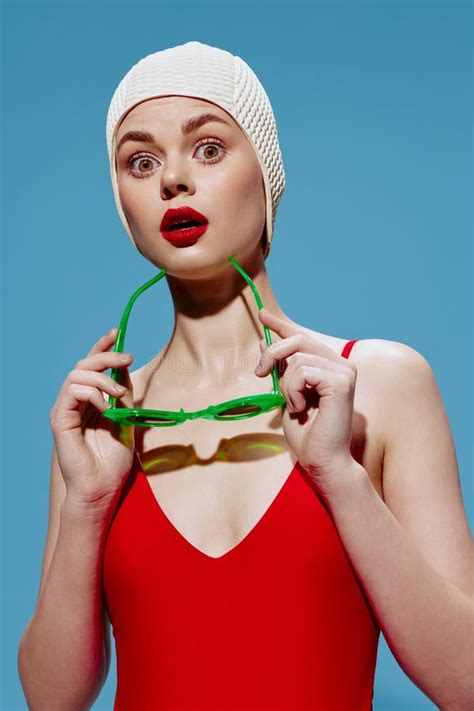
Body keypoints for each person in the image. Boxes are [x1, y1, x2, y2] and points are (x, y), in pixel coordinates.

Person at [18, 41, 473, 711]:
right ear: (123, 202)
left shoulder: (379, 384)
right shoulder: (101, 420)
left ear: (265, 172)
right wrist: (86, 505)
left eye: (207, 148)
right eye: (140, 162)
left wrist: (340, 479)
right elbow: (51, 700)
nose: (172, 179)